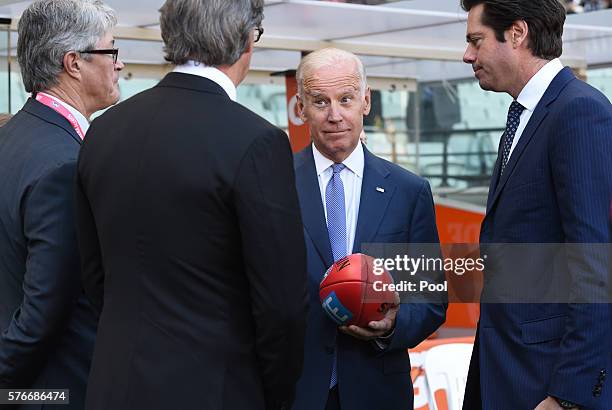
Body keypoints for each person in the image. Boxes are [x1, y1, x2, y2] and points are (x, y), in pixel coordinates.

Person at [75, 1, 308, 409]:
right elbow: (281, 306)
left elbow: (95, 276)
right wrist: (275, 396)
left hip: (115, 383)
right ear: (245, 41)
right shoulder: (256, 141)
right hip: (215, 389)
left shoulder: (103, 130)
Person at [461, 0, 612, 409]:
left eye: (476, 41)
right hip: (504, 371)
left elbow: (596, 265)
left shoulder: (578, 111)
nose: (467, 55)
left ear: (517, 33)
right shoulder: (525, 116)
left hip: (545, 384)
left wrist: (568, 396)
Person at [291, 48, 446, 410]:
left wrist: (391, 325)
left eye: (345, 99)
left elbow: (430, 298)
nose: (335, 116)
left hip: (378, 391)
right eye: (320, 101)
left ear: (366, 101)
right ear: (301, 108)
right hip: (294, 391)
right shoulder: (272, 183)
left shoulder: (409, 191)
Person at [0, 0, 123, 407]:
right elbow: (44, 312)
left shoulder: (15, 135)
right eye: (111, 51)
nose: (118, 65)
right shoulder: (64, 161)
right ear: (73, 63)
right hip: (54, 388)